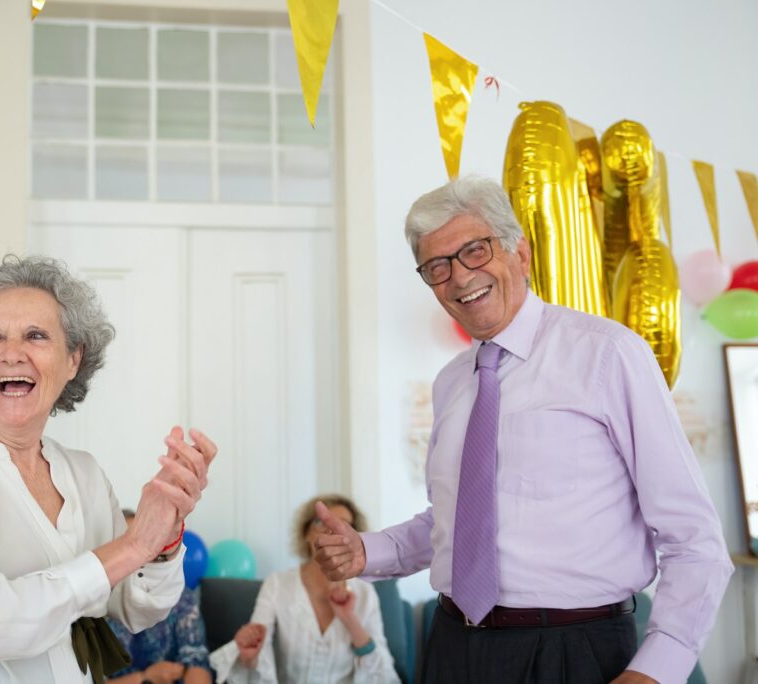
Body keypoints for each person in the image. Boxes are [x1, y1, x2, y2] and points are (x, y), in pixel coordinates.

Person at [313, 176, 733, 684]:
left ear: (520, 252)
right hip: (451, 649)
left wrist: (657, 670)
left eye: (474, 250)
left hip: (575, 654)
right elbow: (458, 524)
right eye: (436, 267)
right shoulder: (451, 384)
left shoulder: (608, 355)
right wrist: (366, 551)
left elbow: (695, 538)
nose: (459, 277)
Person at [0, 255, 218, 684]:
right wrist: (132, 547)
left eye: (35, 335)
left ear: (73, 360)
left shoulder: (84, 473)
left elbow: (136, 608)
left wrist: (165, 534)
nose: (11, 353)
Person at [209, 495, 400, 683]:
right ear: (306, 533)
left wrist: (350, 620)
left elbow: (384, 675)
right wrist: (249, 656)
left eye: (342, 524)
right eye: (320, 521)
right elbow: (257, 659)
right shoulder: (276, 585)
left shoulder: (366, 592)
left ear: (354, 539)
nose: (330, 530)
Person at [107, 509, 213, 684]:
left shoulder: (180, 596)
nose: (135, 556)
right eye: (125, 546)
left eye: (140, 543)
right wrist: (145, 678)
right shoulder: (95, 605)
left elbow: (197, 660)